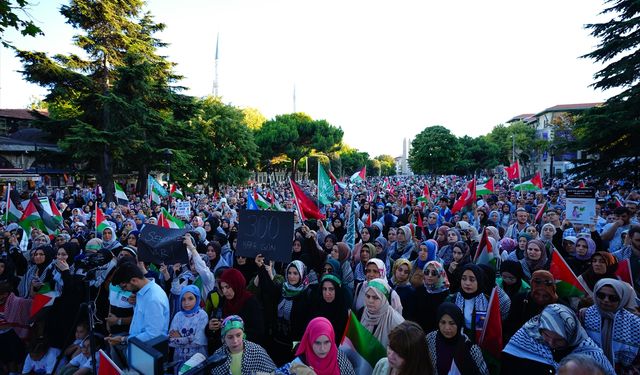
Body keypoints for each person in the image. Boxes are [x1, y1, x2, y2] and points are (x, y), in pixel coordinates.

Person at [502, 304, 615, 375]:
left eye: (559, 339)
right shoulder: (528, 334)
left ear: (571, 336)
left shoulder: (590, 353)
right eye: (546, 335)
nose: (551, 343)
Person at [579, 278, 640, 372]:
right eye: (601, 295)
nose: (606, 300)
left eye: (613, 298)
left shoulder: (635, 323)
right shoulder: (584, 315)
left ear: (622, 299)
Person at [106, 260, 170, 347]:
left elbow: (153, 334)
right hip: (139, 349)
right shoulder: (140, 293)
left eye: (124, 287)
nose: (125, 290)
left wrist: (123, 339)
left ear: (134, 280)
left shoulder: (153, 299)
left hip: (148, 353)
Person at [425, 303, 488, 375]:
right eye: (443, 322)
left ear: (458, 323)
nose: (447, 328)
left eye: (452, 323)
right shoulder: (430, 339)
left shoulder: (470, 348)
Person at [278, 317, 355, 375]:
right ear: (309, 341)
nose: (322, 348)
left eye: (327, 342)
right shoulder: (298, 365)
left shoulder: (339, 357)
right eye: (317, 343)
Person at [209, 315, 276, 375]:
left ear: (243, 334)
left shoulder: (257, 351)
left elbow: (273, 372)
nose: (235, 341)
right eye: (230, 337)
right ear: (223, 338)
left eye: (238, 335)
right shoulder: (217, 356)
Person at [168, 285, 209, 364]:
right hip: (178, 359)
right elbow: (171, 341)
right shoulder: (178, 315)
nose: (186, 303)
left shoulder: (202, 315)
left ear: (197, 299)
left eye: (190, 298)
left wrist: (179, 338)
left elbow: (198, 342)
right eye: (183, 299)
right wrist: (189, 338)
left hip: (197, 360)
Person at [359, 278, 405, 347]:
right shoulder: (361, 312)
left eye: (375, 297)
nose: (370, 301)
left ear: (384, 298)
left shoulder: (396, 322)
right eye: (368, 296)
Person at [413, 261, 450, 333]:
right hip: (417, 331)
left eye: (434, 273)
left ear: (439, 275)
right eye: (427, 272)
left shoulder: (445, 294)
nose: (429, 275)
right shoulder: (419, 290)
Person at [310, 274, 349, 344]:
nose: (327, 293)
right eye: (324, 289)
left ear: (337, 290)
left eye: (331, 289)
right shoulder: (316, 306)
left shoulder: (343, 311)